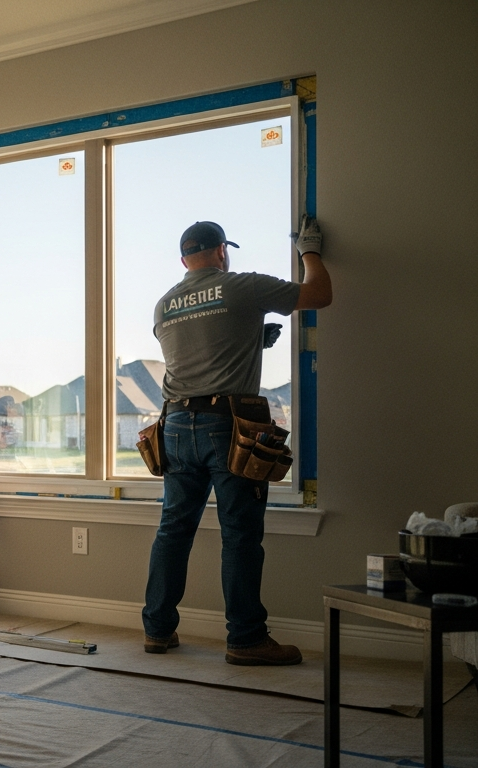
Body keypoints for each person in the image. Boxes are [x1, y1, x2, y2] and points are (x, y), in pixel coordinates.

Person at [142, 217, 332, 666]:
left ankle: (157, 630)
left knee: (173, 530)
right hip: (226, 426)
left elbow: (197, 352)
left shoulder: (164, 304)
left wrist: (250, 341)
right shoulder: (241, 286)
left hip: (174, 426)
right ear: (222, 250)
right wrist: (309, 251)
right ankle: (245, 639)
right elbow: (319, 295)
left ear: (184, 259)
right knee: (240, 535)